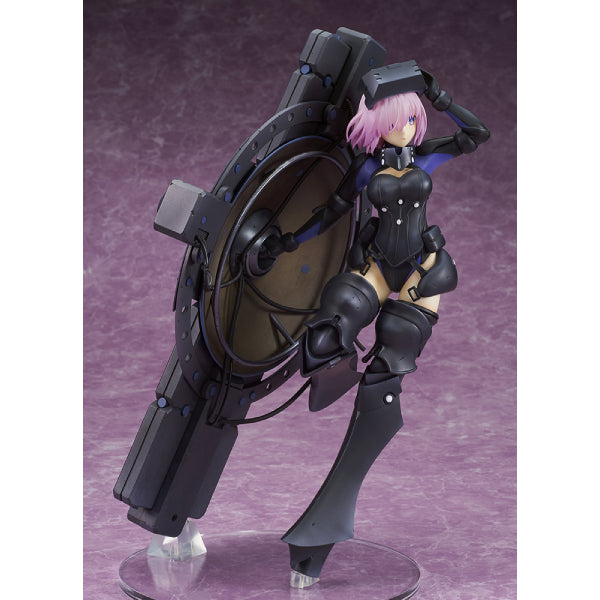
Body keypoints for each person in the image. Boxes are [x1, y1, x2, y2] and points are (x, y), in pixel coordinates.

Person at [281, 63, 490, 580]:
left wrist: (439, 94)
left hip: (421, 267)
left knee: (387, 372)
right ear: (376, 124)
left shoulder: (427, 155)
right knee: (328, 329)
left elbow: (476, 134)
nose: (404, 128)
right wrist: (287, 241)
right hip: (376, 263)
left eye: (410, 119)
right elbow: (332, 211)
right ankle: (337, 371)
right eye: (394, 121)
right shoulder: (366, 169)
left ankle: (324, 524)